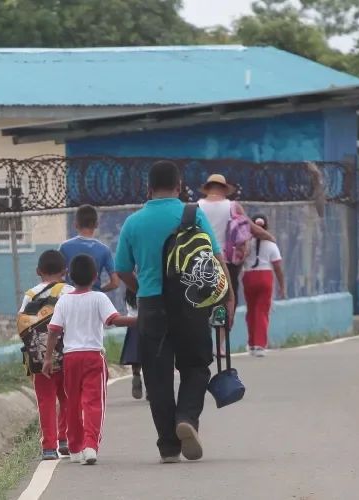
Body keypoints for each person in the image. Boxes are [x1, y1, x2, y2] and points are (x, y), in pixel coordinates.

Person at [115, 160, 235, 464]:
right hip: (191, 304)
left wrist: (143, 285)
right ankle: (187, 419)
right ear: (179, 186)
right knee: (196, 366)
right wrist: (228, 299)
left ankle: (168, 447)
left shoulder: (133, 223)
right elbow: (216, 260)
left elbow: (121, 270)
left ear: (148, 188)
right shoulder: (193, 215)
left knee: (157, 377)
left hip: (152, 305)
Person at [43, 253, 136, 465]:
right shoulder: (99, 298)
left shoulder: (64, 301)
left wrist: (48, 358)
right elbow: (116, 320)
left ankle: (75, 449)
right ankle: (91, 446)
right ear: (96, 277)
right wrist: (140, 320)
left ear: (69, 277)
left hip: (70, 358)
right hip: (93, 356)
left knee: (72, 403)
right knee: (94, 403)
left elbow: (53, 331)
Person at [197, 174, 275, 356]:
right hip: (228, 263)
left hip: (202, 261)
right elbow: (250, 228)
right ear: (224, 189)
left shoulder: (197, 207)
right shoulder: (232, 206)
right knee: (225, 303)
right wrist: (269, 236)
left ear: (208, 188)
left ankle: (204, 344)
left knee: (202, 302)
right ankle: (220, 346)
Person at [18, 249, 75, 460]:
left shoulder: (30, 295)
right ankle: (65, 439)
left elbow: (22, 322)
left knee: (46, 401)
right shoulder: (70, 291)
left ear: (37, 271)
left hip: (39, 359)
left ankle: (49, 447)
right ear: (64, 271)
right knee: (68, 397)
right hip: (67, 354)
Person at [242, 214, 287, 357]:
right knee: (262, 311)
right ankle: (260, 345)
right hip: (265, 276)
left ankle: (251, 343)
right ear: (266, 227)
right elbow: (277, 267)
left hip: (249, 276)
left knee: (251, 311)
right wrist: (282, 285)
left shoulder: (246, 243)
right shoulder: (271, 244)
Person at [59, 204, 119, 293]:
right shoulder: (104, 249)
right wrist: (98, 291)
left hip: (71, 297)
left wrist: (67, 288)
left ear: (76, 224)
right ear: (96, 224)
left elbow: (55, 276)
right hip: (94, 298)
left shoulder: (64, 247)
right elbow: (115, 282)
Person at [119, 282, 147, 401]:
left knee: (136, 355)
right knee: (150, 356)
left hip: (132, 324)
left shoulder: (129, 294)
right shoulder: (147, 289)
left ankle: (136, 375)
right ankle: (151, 388)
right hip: (148, 323)